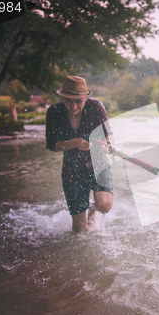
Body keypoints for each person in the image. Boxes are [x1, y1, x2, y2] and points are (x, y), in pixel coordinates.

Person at [46, 76, 113, 232]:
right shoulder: (54, 112)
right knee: (79, 227)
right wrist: (74, 143)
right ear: (62, 97)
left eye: (78, 101)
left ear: (86, 98)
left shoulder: (96, 107)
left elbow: (107, 133)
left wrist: (109, 144)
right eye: (69, 101)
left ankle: (92, 209)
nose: (74, 106)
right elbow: (51, 145)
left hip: (98, 164)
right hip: (72, 170)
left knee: (104, 205)